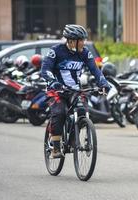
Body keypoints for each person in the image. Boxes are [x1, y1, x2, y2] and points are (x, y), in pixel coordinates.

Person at [41, 24, 110, 158]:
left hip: (75, 90)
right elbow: (45, 70)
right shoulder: (56, 51)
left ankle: (73, 141)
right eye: (81, 40)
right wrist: (54, 83)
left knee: (83, 111)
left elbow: (95, 70)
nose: (83, 43)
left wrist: (103, 83)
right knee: (59, 112)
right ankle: (55, 147)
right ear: (71, 40)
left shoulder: (84, 53)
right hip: (56, 90)